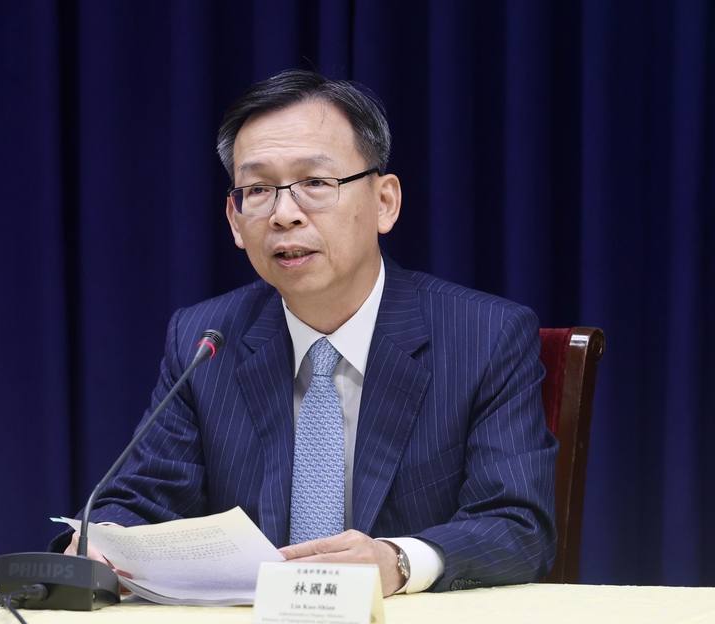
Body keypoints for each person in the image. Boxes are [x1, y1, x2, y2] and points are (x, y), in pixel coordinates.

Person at [54, 69, 557, 596]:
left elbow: (517, 526)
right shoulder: (204, 340)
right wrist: (104, 539)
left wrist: (399, 561)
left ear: (385, 202)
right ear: (234, 218)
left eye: (315, 184)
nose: (285, 214)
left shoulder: (485, 337)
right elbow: (142, 498)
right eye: (258, 190)